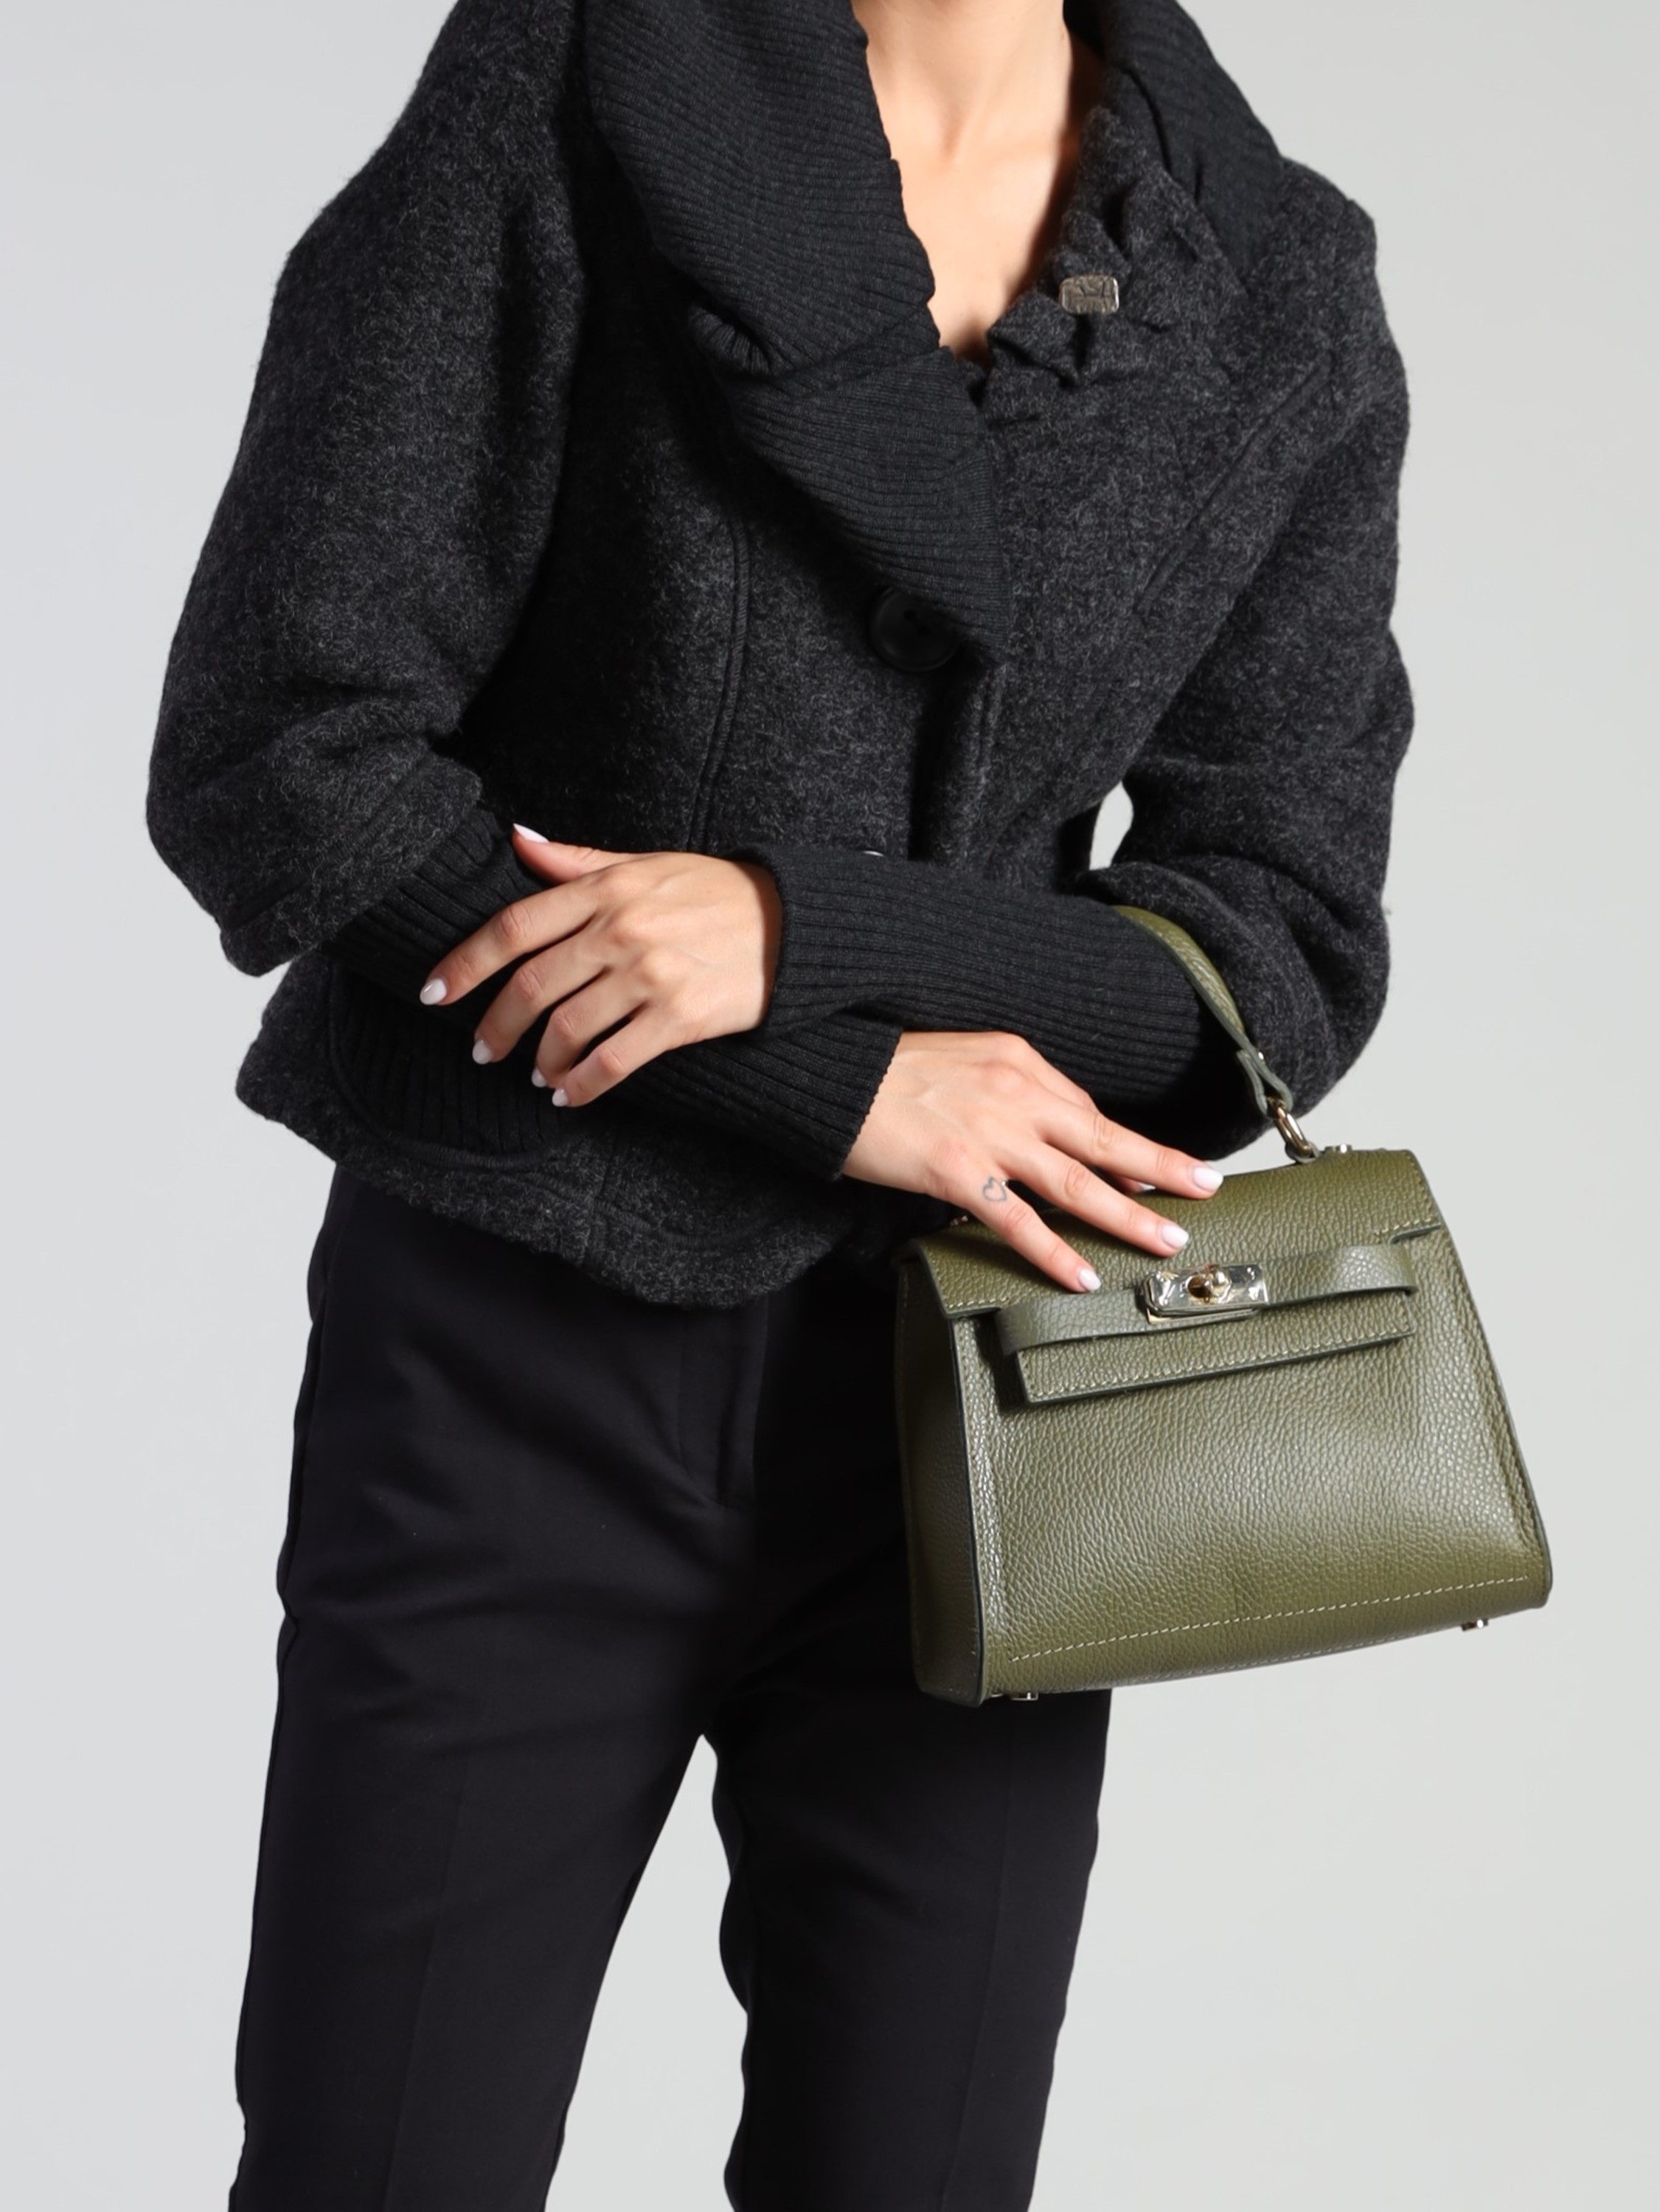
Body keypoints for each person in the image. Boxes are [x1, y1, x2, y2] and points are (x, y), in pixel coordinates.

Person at [147, 0, 1411, 2203]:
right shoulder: (571, 84)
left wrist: (800, 929)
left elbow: (1280, 952)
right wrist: (834, 1084)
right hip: (516, 1351)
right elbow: (283, 750)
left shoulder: (1276, 275)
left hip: (998, 1408)